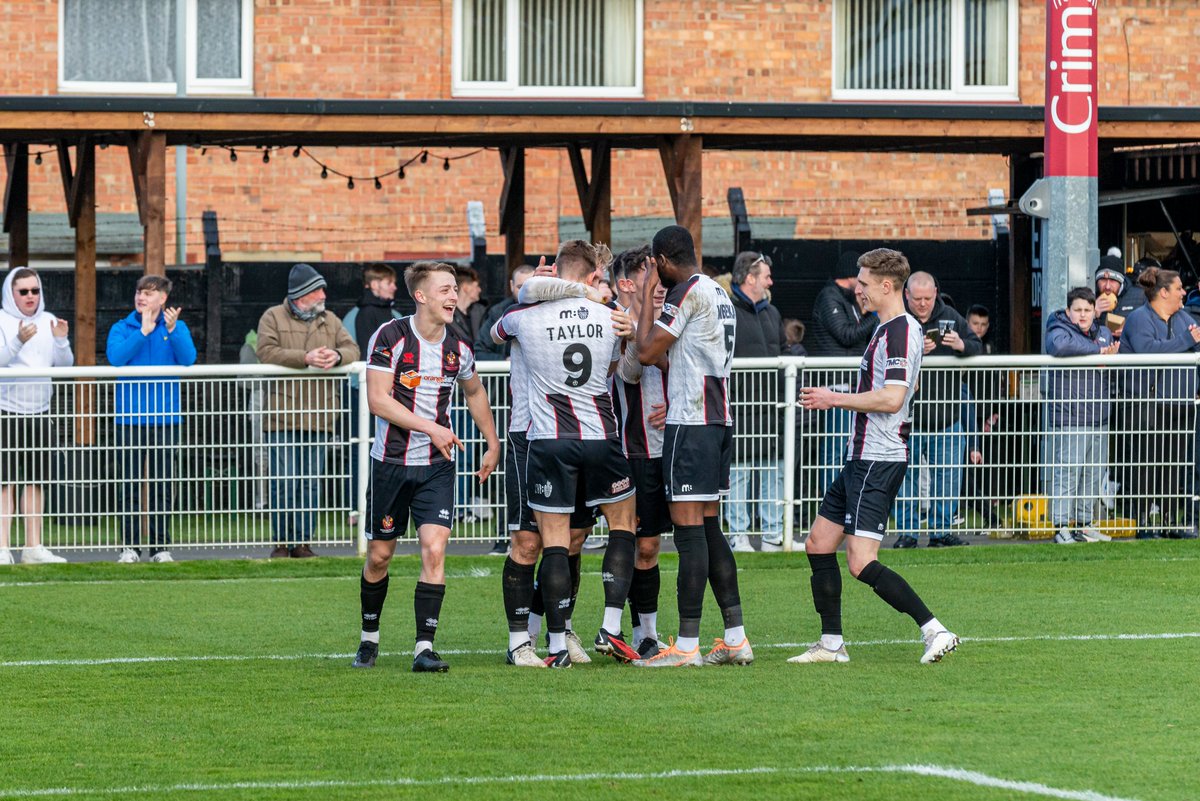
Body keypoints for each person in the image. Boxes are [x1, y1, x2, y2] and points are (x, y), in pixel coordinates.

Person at [790, 248, 958, 666]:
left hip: (878, 460)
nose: (858, 290)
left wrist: (833, 398)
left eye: (863, 283)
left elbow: (892, 397)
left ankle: (934, 629)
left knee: (861, 562)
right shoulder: (887, 329)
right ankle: (831, 645)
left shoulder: (900, 331)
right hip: (862, 458)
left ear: (887, 286)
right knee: (817, 543)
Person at [493, 240, 640, 668]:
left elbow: (495, 331)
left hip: (551, 437)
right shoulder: (611, 317)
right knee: (527, 541)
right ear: (591, 276)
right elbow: (617, 367)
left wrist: (537, 290)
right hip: (534, 431)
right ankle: (522, 640)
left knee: (570, 540)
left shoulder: (527, 315)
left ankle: (560, 634)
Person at [351, 261, 500, 672]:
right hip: (391, 466)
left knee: (434, 550)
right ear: (421, 296)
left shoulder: (460, 348)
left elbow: (474, 392)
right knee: (380, 557)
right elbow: (378, 400)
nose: (454, 296)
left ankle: (423, 648)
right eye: (445, 290)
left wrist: (492, 442)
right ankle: (368, 639)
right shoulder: (391, 337)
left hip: (437, 466)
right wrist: (431, 427)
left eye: (455, 289)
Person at [633, 225, 753, 668]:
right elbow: (677, 355)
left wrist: (645, 296)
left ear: (663, 261)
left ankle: (686, 647)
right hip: (720, 422)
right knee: (708, 529)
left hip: (691, 423)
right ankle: (736, 638)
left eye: (654, 267)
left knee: (688, 536)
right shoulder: (719, 293)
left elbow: (646, 352)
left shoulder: (685, 291)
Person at [256, 263, 360, 558]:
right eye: (318, 289)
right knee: (283, 483)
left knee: (311, 484)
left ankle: (302, 542)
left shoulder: (331, 320)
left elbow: (353, 349)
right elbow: (266, 351)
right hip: (281, 415)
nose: (323, 294)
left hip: (320, 414)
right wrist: (305, 357)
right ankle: (281, 543)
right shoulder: (271, 317)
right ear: (302, 294)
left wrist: (337, 356)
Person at [105, 275, 198, 563]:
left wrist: (171, 330)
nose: (141, 297)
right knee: (129, 484)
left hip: (166, 419)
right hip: (129, 419)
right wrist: (142, 333)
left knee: (162, 484)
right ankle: (129, 548)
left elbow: (189, 358)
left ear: (163, 299)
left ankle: (160, 548)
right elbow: (116, 358)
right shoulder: (122, 327)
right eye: (139, 292)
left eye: (148, 293)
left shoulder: (176, 327)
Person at [609, 245, 671, 657]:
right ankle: (559, 633)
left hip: (663, 449)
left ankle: (644, 633)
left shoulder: (674, 318)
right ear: (628, 283)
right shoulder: (612, 319)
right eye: (653, 279)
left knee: (649, 546)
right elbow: (628, 371)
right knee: (576, 539)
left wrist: (680, 400)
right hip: (620, 446)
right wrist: (636, 337)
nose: (662, 288)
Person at [893, 271, 982, 548]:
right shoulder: (896, 319)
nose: (922, 304)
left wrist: (961, 345)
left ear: (936, 293)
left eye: (928, 298)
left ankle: (941, 531)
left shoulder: (952, 316)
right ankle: (907, 534)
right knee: (904, 477)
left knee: (948, 476)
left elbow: (977, 346)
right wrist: (917, 350)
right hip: (909, 418)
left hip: (947, 416)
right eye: (917, 298)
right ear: (906, 294)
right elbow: (880, 352)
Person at [1118, 266, 1200, 539]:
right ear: (1163, 292)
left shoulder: (1183, 317)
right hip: (1145, 405)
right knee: (1146, 464)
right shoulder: (1140, 318)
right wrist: (1186, 340)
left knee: (1175, 466)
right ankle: (1143, 523)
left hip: (1179, 404)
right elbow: (1148, 351)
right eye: (1178, 289)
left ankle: (1169, 522)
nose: (1183, 293)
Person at [0, 268, 72, 565]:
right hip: (6, 412)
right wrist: (17, 341)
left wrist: (61, 341)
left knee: (35, 481)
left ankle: (33, 546)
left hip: (41, 413)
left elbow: (65, 366)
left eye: (35, 290)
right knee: (4, 484)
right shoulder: (2, 321)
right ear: (11, 293)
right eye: (24, 292)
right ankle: (2, 548)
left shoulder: (49, 320)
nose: (31, 296)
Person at [1043, 288, 1118, 544]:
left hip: (1099, 414)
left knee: (1093, 474)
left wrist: (1105, 354)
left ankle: (1085, 524)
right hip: (1071, 416)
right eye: (1078, 310)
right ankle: (1062, 525)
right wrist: (1096, 351)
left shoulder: (1103, 332)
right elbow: (1060, 346)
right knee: (1068, 472)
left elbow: (1110, 355)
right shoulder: (1058, 327)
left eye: (1087, 310)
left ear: (1094, 310)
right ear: (1068, 311)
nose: (1083, 315)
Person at [726, 251, 787, 553]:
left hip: (770, 407)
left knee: (772, 470)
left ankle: (773, 534)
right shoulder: (727, 312)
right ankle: (738, 534)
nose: (770, 281)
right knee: (739, 471)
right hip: (740, 406)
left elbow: (785, 351)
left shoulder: (772, 313)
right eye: (765, 276)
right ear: (750, 278)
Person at [475, 264, 535, 556]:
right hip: (505, 403)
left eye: (530, 284)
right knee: (506, 473)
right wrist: (511, 361)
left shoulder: (548, 310)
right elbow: (481, 349)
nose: (524, 291)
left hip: (541, 407)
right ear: (511, 287)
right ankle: (504, 535)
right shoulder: (499, 313)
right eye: (520, 285)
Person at [808, 251, 877, 498]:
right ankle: (831, 502)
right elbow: (846, 334)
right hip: (837, 386)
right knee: (835, 448)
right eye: (859, 280)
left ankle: (845, 499)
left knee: (848, 447)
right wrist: (876, 316)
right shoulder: (829, 297)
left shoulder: (845, 300)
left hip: (851, 386)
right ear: (849, 277)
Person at [342, 264, 400, 528]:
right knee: (362, 448)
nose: (394, 287)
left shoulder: (397, 316)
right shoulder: (354, 317)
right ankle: (359, 507)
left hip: (397, 398)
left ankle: (390, 505)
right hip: (360, 394)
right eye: (389, 282)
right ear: (374, 284)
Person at [1094, 254, 1144, 341]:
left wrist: (1130, 331)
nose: (1107, 286)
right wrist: (1092, 314)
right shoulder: (1090, 298)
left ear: (1121, 281)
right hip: (1101, 352)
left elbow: (1153, 327)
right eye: (1103, 280)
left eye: (1113, 280)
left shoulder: (1141, 296)